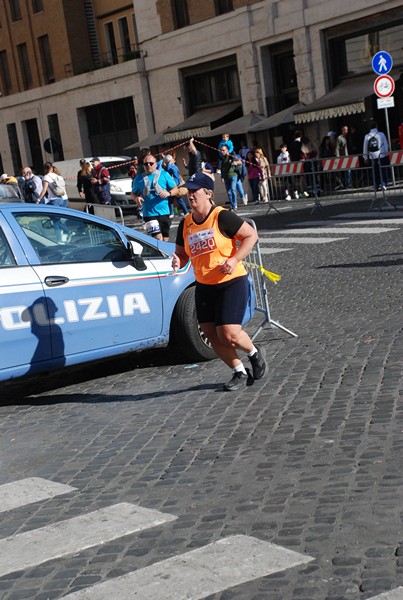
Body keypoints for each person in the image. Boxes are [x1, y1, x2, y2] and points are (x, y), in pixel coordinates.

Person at [171, 172, 268, 391]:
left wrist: (234, 259)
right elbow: (182, 254)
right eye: (189, 191)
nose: (190, 195)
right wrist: (178, 260)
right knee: (211, 335)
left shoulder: (221, 216)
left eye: (195, 190)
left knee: (229, 333)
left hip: (231, 281)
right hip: (204, 285)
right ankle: (239, 371)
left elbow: (251, 235)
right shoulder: (185, 223)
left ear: (208, 193)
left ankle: (254, 353)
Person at [131, 152, 179, 241]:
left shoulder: (164, 174)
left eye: (151, 163)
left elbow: (176, 189)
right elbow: (133, 194)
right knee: (158, 238)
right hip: (148, 214)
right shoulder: (138, 179)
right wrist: (136, 198)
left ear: (156, 164)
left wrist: (169, 193)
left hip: (164, 212)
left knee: (165, 239)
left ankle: (164, 255)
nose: (148, 165)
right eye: (146, 164)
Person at [363, 120, 389, 191]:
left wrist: (365, 157)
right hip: (381, 155)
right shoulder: (381, 134)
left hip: (372, 156)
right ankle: (383, 184)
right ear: (376, 126)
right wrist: (386, 153)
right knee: (383, 169)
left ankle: (376, 185)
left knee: (375, 171)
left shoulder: (367, 136)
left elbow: (365, 147)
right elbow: (386, 145)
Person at [220, 144, 245, 210]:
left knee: (233, 189)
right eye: (221, 150)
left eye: (223, 150)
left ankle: (235, 204)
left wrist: (234, 162)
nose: (222, 152)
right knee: (229, 192)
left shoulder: (231, 156)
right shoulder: (222, 159)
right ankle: (232, 204)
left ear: (227, 150)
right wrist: (222, 176)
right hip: (226, 177)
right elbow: (222, 168)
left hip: (233, 175)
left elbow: (240, 162)